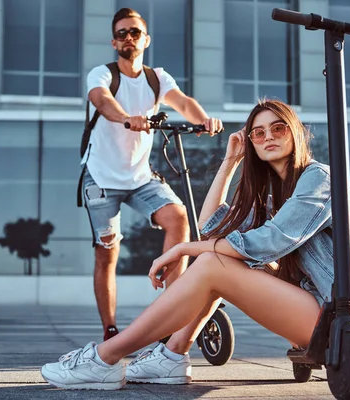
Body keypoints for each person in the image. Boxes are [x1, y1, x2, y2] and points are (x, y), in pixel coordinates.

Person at [42, 98, 350, 390]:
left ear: (295, 132)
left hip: (335, 317)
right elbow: (211, 228)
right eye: (258, 133)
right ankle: (173, 355)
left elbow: (270, 241)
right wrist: (230, 161)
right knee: (216, 260)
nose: (268, 137)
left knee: (212, 263)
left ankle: (106, 358)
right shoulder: (271, 196)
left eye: (278, 128)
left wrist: (182, 249)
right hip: (310, 310)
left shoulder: (318, 178)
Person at [81, 7, 223, 342]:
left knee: (178, 218)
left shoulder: (156, 78)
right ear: (114, 42)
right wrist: (128, 117)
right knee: (107, 252)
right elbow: (102, 102)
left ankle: (173, 310)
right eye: (121, 33)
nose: (128, 38)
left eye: (134, 32)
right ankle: (110, 328)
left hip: (141, 177)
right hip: (101, 178)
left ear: (146, 39)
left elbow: (183, 102)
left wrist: (205, 120)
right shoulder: (102, 75)